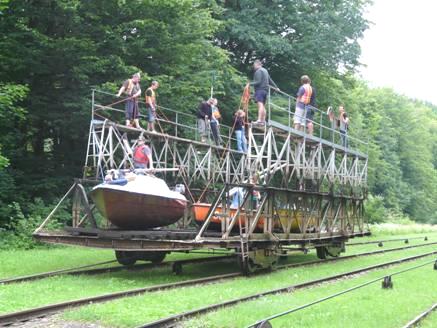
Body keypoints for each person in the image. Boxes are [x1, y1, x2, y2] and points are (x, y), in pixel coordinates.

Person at [246, 60, 279, 124]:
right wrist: (276, 87)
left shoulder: (258, 71)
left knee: (260, 105)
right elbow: (270, 79)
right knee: (263, 105)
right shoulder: (265, 70)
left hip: (260, 90)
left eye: (254, 65)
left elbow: (258, 82)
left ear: (257, 65)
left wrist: (249, 84)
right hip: (265, 91)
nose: (254, 67)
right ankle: (263, 120)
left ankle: (259, 120)